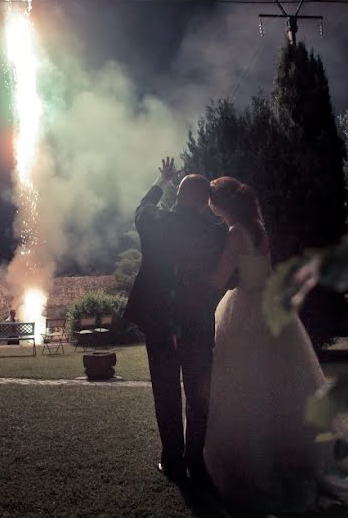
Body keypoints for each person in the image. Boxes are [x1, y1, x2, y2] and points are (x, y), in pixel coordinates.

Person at [203, 176, 342, 512]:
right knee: (280, 378)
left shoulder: (236, 232)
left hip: (248, 305)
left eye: (212, 202)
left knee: (245, 379)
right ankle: (288, 447)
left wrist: (191, 278)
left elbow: (220, 276)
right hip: (270, 304)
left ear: (221, 204)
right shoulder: (259, 228)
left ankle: (250, 452)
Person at [122, 158, 228, 483]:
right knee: (199, 392)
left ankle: (172, 459)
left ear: (178, 195)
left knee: (166, 391)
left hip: (159, 321)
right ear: (204, 202)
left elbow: (141, 208)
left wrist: (161, 182)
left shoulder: (156, 222)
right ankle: (195, 460)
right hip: (197, 321)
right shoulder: (214, 232)